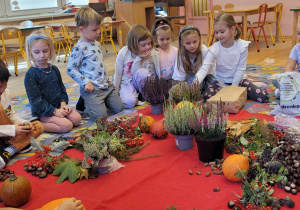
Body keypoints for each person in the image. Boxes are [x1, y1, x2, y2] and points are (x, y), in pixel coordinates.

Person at [195, 13, 269, 103]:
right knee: (207, 97)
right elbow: (204, 68)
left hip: (238, 82)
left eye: (222, 32)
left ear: (232, 29)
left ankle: (250, 88)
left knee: (264, 97)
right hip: (220, 82)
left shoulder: (242, 46)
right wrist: (195, 83)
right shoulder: (215, 48)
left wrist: (234, 88)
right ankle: (244, 93)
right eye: (217, 32)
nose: (218, 35)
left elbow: (240, 69)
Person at [67, 7, 123, 120]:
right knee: (100, 118)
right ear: (82, 29)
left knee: (119, 108)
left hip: (105, 86)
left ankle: (94, 102)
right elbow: (70, 69)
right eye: (94, 30)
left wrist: (107, 79)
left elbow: (100, 65)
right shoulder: (79, 48)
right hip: (92, 89)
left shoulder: (96, 43)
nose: (98, 32)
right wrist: (86, 82)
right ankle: (86, 101)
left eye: (99, 28)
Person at [24, 30, 82, 133]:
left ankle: (58, 117)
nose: (42, 55)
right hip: (44, 111)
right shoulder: (31, 74)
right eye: (37, 52)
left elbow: (62, 89)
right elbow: (37, 102)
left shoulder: (54, 69)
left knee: (77, 119)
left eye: (45, 51)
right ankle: (37, 123)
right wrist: (55, 112)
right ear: (30, 52)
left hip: (58, 106)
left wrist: (63, 105)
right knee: (67, 126)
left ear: (50, 50)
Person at [0, 59, 44, 169]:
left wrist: (23, 122)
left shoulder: (6, 92)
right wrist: (12, 130)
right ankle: (18, 145)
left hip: (8, 135)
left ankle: (9, 150)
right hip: (6, 133)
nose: (3, 90)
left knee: (37, 126)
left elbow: (11, 114)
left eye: (5, 85)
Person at [114, 24, 156, 108]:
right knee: (130, 103)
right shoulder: (123, 53)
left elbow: (146, 74)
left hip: (138, 81)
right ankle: (133, 95)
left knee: (143, 73)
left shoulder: (148, 54)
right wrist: (115, 92)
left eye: (149, 43)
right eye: (143, 45)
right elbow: (118, 74)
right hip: (126, 82)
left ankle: (142, 94)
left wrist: (144, 58)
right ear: (133, 43)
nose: (147, 47)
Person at [273, 22, 300, 98]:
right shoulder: (296, 49)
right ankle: (286, 90)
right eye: (298, 33)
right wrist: (289, 78)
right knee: (278, 79)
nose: (299, 36)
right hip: (298, 80)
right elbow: (289, 67)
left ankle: (284, 92)